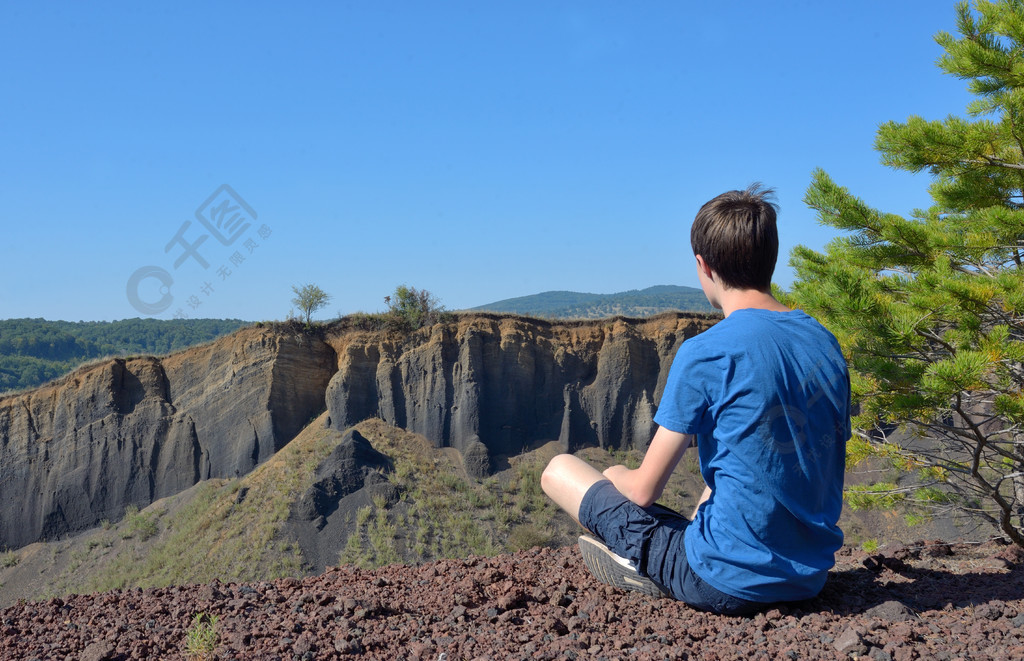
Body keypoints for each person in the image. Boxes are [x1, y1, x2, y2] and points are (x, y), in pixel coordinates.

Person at [541, 184, 851, 615]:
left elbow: (645, 490)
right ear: (771, 259)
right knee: (726, 469)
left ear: (703, 266)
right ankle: (686, 549)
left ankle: (644, 566)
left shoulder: (707, 351)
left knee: (559, 470)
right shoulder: (824, 342)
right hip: (808, 577)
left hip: (723, 582)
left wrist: (613, 474)